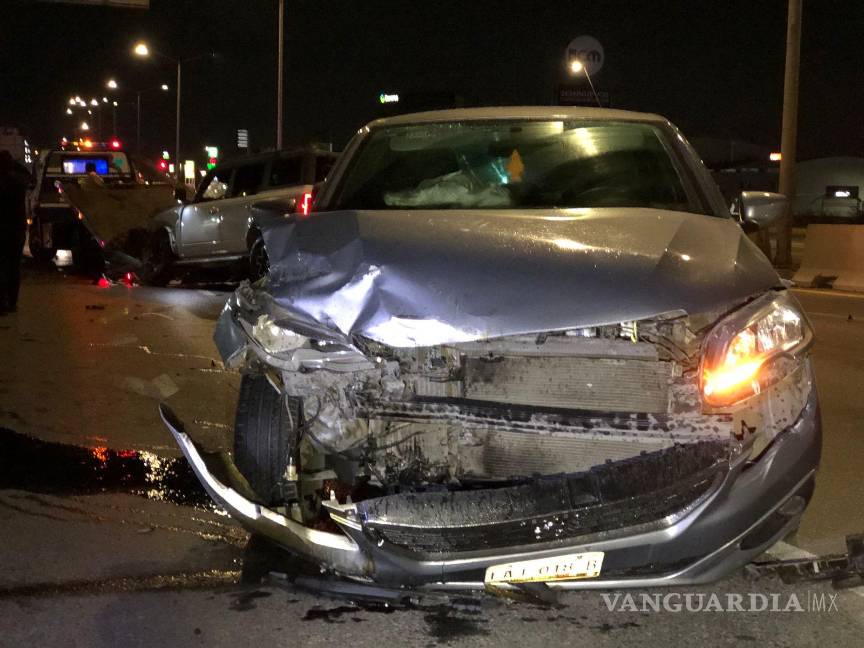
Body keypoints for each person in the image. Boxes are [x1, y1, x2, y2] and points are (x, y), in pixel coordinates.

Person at [0, 150, 32, 314]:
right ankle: (12, 302)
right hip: (16, 229)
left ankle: (2, 303)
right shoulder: (19, 182)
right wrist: (16, 163)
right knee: (14, 267)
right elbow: (28, 175)